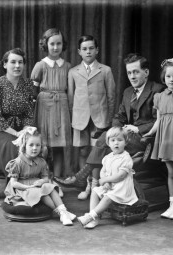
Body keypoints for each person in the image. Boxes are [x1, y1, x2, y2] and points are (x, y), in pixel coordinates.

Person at [54, 53, 166, 189]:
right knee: (107, 141)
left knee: (104, 140)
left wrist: (137, 129)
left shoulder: (157, 91)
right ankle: (93, 184)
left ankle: (82, 178)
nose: (132, 76)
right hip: (126, 137)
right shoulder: (128, 92)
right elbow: (119, 116)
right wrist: (118, 130)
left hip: (146, 140)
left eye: (136, 72)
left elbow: (161, 121)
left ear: (146, 72)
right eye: (129, 73)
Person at [67, 35, 116, 200]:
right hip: (80, 118)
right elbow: (71, 98)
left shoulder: (105, 70)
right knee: (83, 151)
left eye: (91, 48)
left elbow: (111, 97)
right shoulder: (73, 72)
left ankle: (95, 185)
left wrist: (108, 120)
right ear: (79, 51)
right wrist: (73, 118)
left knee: (97, 152)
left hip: (99, 118)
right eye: (85, 49)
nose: (88, 51)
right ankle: (85, 184)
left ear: (97, 50)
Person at [4, 127, 76, 226]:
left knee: (49, 187)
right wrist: (27, 187)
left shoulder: (41, 162)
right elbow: (13, 183)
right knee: (41, 192)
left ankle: (64, 211)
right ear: (24, 146)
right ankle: (60, 213)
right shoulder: (17, 163)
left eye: (38, 145)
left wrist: (41, 182)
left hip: (35, 184)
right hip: (21, 188)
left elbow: (46, 178)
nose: (35, 148)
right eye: (31, 145)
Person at [30, 28, 72, 178]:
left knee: (60, 145)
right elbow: (33, 90)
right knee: (43, 144)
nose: (55, 47)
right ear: (46, 45)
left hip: (62, 105)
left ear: (63, 45)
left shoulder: (67, 66)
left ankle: (58, 177)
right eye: (52, 44)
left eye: (59, 43)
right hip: (44, 106)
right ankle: (44, 176)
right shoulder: (40, 65)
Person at [78, 127, 138, 229]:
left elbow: (121, 176)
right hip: (110, 185)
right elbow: (103, 171)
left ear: (125, 142)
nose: (116, 143)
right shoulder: (108, 157)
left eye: (120, 140)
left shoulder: (126, 158)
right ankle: (95, 218)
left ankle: (90, 215)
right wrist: (105, 181)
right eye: (113, 140)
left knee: (108, 197)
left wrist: (106, 180)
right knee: (95, 191)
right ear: (108, 143)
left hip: (121, 188)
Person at [0, 48, 35, 173]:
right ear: (5, 64)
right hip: (0, 131)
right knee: (13, 145)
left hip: (22, 130)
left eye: (20, 62)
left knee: (34, 143)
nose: (17, 66)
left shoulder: (28, 84)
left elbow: (29, 113)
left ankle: (32, 181)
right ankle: (14, 185)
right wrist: (16, 134)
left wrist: (25, 131)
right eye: (13, 62)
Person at [143, 58, 173, 219]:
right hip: (167, 140)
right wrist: (150, 133)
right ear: (164, 78)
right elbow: (159, 120)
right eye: (168, 76)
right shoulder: (160, 97)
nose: (172, 79)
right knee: (171, 172)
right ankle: (172, 205)